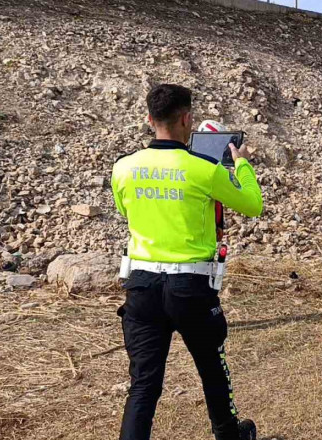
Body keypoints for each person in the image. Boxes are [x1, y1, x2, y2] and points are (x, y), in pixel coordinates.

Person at [111, 84, 263, 440]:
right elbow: (253, 204)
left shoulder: (124, 167)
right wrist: (241, 165)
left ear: (150, 120)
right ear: (186, 119)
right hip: (190, 287)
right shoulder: (204, 169)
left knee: (144, 385)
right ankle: (229, 435)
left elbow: (126, 210)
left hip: (142, 284)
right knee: (212, 368)